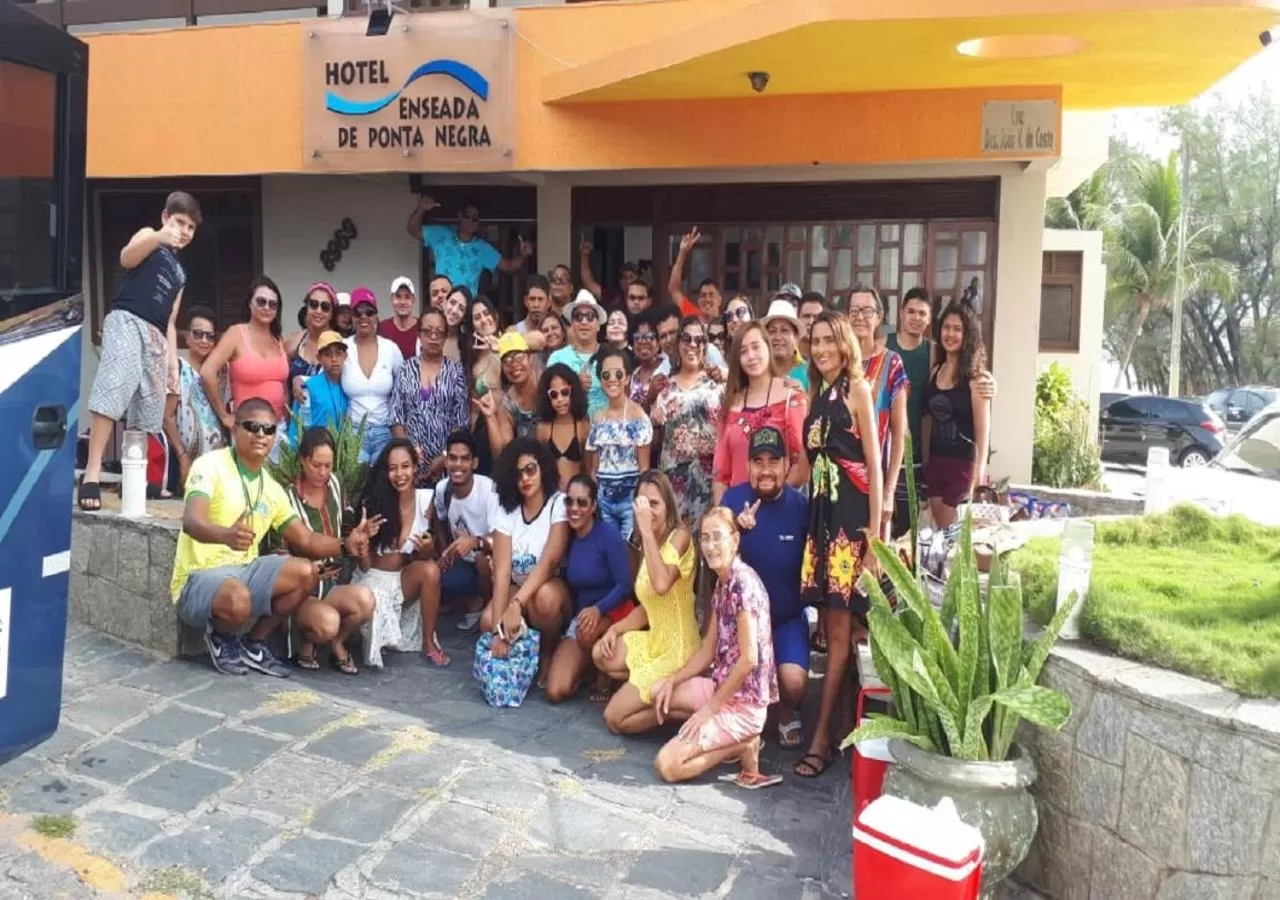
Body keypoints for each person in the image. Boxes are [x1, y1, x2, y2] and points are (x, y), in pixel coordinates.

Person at [171, 397, 380, 677]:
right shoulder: (210, 466)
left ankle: (254, 643)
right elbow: (191, 521)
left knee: (306, 571)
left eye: (269, 429)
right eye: (252, 427)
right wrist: (225, 536)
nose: (261, 434)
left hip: (244, 571)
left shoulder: (271, 488)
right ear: (235, 428)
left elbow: (306, 539)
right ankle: (222, 638)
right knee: (238, 597)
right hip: (199, 577)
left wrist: (345, 544)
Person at [796, 312, 883, 778]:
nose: (822, 348)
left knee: (838, 634)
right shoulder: (817, 395)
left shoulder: (857, 389)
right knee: (832, 633)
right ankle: (836, 729)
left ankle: (821, 738)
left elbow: (875, 465)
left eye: (830, 339)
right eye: (816, 341)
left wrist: (874, 540)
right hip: (822, 521)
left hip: (850, 524)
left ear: (846, 343)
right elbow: (804, 467)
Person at [80, 191, 199, 511]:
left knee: (149, 410)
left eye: (191, 227)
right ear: (165, 217)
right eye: (180, 222)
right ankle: (92, 473)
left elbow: (171, 320)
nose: (185, 231)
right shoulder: (149, 236)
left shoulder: (181, 273)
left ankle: (136, 479)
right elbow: (126, 258)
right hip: (128, 320)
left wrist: (173, 366)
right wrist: (158, 236)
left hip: (158, 336)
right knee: (113, 388)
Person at [651, 506, 780, 788]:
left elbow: (749, 660)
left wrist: (708, 711)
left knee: (667, 765)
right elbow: (707, 652)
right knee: (657, 692)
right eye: (705, 538)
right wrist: (673, 680)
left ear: (735, 540)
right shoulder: (724, 583)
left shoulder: (742, 585)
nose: (710, 546)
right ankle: (717, 736)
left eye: (717, 537)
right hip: (722, 688)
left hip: (744, 704)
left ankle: (743, 743)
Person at [722, 427, 809, 749]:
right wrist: (735, 531)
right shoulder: (732, 501)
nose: (766, 470)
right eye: (758, 462)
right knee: (731, 678)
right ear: (748, 466)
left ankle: (786, 710)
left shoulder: (802, 507)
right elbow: (711, 557)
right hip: (743, 623)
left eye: (774, 461)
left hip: (787, 618)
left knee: (794, 682)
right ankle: (749, 715)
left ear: (787, 465)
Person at [593, 471, 699, 735]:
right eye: (642, 503)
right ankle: (657, 689)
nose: (647, 511)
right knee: (600, 653)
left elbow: (661, 585)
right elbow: (649, 606)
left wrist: (647, 533)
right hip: (655, 641)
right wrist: (614, 629)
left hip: (678, 649)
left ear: (668, 506)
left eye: (654, 504)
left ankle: (677, 704)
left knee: (614, 719)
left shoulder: (680, 537)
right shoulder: (644, 541)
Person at [281, 428, 376, 675]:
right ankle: (306, 640)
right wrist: (307, 569)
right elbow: (277, 552)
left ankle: (337, 643)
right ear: (302, 460)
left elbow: (346, 521)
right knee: (329, 622)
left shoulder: (335, 483)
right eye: (316, 465)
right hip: (302, 591)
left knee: (366, 600)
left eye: (328, 465)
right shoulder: (287, 499)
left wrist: (359, 534)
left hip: (333, 584)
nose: (323, 472)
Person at [351, 439, 451, 667]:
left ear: (415, 467)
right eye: (392, 468)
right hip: (372, 579)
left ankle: (429, 642)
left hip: (403, 581)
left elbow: (433, 557)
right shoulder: (373, 502)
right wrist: (363, 541)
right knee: (362, 629)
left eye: (405, 466)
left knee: (431, 571)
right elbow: (365, 565)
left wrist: (427, 551)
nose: (399, 475)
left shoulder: (427, 501)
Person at [481, 438, 573, 678]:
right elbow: (502, 573)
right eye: (518, 473)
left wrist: (516, 605)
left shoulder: (558, 504)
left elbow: (548, 563)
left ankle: (547, 652)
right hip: (518, 588)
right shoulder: (506, 510)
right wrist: (497, 632)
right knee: (488, 620)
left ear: (543, 468)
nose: (525, 478)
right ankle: (520, 656)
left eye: (530, 469)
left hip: (549, 587)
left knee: (545, 600)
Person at [545, 474, 634, 704]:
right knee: (555, 691)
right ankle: (588, 668)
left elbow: (625, 585)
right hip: (582, 618)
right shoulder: (566, 536)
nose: (574, 508)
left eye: (582, 502)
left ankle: (605, 673)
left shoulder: (608, 535)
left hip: (613, 612)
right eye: (569, 501)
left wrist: (598, 609)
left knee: (586, 632)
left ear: (593, 506)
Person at [713, 322, 807, 503]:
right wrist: (722, 514)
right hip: (738, 510)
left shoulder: (791, 398)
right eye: (743, 351)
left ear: (768, 347)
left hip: (780, 508)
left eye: (756, 347)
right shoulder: (731, 404)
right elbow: (721, 475)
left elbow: (801, 464)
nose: (751, 356)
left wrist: (771, 503)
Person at [848, 285, 908, 541]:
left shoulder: (891, 364)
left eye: (867, 311)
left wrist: (889, 491)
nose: (860, 317)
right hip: (841, 485)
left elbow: (899, 433)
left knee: (874, 556)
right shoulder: (838, 364)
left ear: (879, 317)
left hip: (877, 481)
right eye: (854, 311)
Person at [923, 302, 991, 527]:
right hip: (936, 464)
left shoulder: (977, 379)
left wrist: (978, 477)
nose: (950, 334)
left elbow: (983, 432)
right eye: (946, 327)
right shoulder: (935, 371)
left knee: (953, 534)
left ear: (967, 335)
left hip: (962, 467)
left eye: (957, 329)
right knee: (940, 534)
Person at [650, 317, 723, 528]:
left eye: (699, 340)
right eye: (687, 338)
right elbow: (654, 437)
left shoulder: (718, 384)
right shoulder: (664, 386)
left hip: (710, 479)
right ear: (678, 343)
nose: (693, 345)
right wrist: (653, 416)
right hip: (675, 480)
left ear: (705, 345)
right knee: (675, 539)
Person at [202, 277, 290, 451]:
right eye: (261, 301)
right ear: (249, 303)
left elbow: (282, 383)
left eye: (273, 304)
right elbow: (207, 372)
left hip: (278, 428)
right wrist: (224, 415)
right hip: (249, 429)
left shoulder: (278, 339)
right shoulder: (236, 334)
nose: (267, 307)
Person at [430, 430, 498, 635]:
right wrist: (444, 551)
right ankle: (469, 601)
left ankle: (486, 606)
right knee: (435, 575)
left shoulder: (489, 490)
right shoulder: (442, 489)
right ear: (446, 461)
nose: (457, 465)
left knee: (483, 562)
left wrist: (476, 542)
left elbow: (501, 539)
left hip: (489, 558)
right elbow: (440, 518)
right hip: (461, 560)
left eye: (464, 459)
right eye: (452, 458)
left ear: (474, 463)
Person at [390, 308, 469, 485]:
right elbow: (396, 417)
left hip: (447, 464)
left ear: (445, 336)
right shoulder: (406, 369)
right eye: (428, 331)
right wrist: (409, 454)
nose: (433, 337)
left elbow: (461, 421)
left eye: (439, 332)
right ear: (419, 334)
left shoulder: (455, 371)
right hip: (410, 465)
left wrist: (445, 456)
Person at [406, 194, 532, 295]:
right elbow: (413, 229)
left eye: (475, 218)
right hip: (441, 303)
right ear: (459, 216)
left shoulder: (482, 248)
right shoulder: (441, 234)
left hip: (466, 308)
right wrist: (421, 208)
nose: (470, 221)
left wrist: (523, 255)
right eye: (467, 216)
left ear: (478, 224)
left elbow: (509, 266)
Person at [586, 348, 652, 539]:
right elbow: (594, 468)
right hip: (604, 501)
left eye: (618, 374)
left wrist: (641, 505)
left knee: (628, 550)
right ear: (601, 380)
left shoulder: (639, 417)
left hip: (629, 502)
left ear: (627, 378)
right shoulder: (597, 418)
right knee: (609, 550)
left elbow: (644, 469)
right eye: (606, 375)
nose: (612, 379)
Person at [163, 306, 228, 486]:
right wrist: (182, 456)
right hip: (187, 463)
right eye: (198, 334)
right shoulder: (177, 369)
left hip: (218, 463)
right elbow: (167, 417)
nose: (204, 340)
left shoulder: (221, 373)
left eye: (210, 336)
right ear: (187, 336)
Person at [342, 287, 405, 464]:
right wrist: (299, 380)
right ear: (351, 316)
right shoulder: (342, 347)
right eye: (358, 312)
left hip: (384, 431)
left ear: (376, 315)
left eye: (369, 312)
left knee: (382, 480)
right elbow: (324, 377)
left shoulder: (390, 348)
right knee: (356, 481)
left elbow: (404, 387)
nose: (364, 317)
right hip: (354, 432)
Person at [548, 290, 608, 418]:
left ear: (598, 325)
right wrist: (575, 386)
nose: (584, 321)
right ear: (572, 324)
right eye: (578, 316)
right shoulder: (557, 358)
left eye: (590, 316)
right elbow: (549, 400)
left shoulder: (610, 356)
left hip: (605, 427)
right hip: (569, 426)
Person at [537, 363, 590, 491]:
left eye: (565, 392)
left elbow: (589, 469)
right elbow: (540, 469)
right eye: (554, 394)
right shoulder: (543, 429)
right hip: (552, 495)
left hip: (577, 495)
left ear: (573, 392)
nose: (560, 399)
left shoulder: (583, 427)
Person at [289, 330, 349, 443]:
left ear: (345, 356)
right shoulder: (308, 387)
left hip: (342, 450)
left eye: (338, 353)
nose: (334, 359)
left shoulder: (348, 387)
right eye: (327, 355)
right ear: (319, 358)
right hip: (315, 449)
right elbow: (297, 426)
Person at [284, 282, 337, 407]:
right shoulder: (293, 342)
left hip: (329, 416)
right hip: (298, 416)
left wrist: (302, 379)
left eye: (325, 307)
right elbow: (282, 383)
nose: (318, 311)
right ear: (306, 308)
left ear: (331, 313)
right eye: (313, 304)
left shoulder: (339, 345)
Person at [496, 331, 540, 443]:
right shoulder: (507, 404)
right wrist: (490, 417)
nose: (514, 364)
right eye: (507, 360)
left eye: (519, 357)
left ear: (530, 358)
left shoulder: (546, 385)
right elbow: (506, 447)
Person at [761, 296, 809, 391]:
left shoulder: (809, 374)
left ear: (796, 338)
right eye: (772, 331)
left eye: (784, 330)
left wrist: (803, 396)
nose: (778, 337)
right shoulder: (758, 372)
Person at [628, 308, 665, 411]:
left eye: (649, 337)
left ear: (658, 342)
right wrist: (649, 398)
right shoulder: (633, 376)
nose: (643, 342)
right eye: (638, 337)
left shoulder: (667, 370)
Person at [378, 275, 421, 361]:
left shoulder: (422, 327)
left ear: (413, 300)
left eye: (407, 297)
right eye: (398, 296)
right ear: (391, 299)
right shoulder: (382, 328)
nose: (402, 302)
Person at [797, 291, 825, 360]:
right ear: (797, 318)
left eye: (816, 317)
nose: (811, 322)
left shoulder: (830, 357)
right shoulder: (787, 353)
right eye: (806, 316)